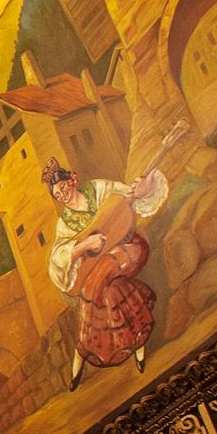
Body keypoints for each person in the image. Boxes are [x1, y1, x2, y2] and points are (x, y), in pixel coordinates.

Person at [44, 156, 169, 388]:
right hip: (104, 268)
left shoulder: (99, 189)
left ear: (72, 180)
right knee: (111, 290)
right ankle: (138, 341)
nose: (63, 196)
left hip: (131, 247)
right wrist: (84, 246)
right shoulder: (65, 224)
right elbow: (57, 260)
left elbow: (128, 200)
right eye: (58, 196)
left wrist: (143, 190)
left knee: (96, 279)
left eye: (63, 188)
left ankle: (81, 351)